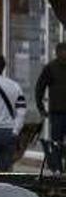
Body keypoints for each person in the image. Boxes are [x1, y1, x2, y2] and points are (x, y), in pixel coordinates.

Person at [35, 42, 66, 173]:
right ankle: (58, 168)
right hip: (57, 113)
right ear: (57, 52)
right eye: (62, 51)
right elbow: (39, 88)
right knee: (56, 142)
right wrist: (41, 108)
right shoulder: (51, 68)